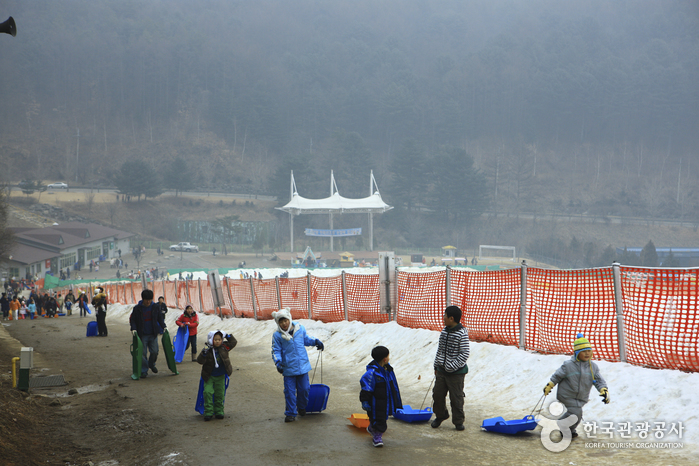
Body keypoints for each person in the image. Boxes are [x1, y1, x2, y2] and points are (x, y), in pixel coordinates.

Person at [543, 333, 609, 438]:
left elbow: (599, 380)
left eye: (589, 351)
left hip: (581, 397)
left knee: (576, 414)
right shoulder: (568, 365)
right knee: (576, 413)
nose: (587, 354)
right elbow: (557, 376)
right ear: (577, 353)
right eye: (584, 352)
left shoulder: (593, 367)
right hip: (567, 395)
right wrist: (549, 385)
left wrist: (604, 390)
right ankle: (565, 428)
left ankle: (569, 429)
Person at [271, 308, 324, 423]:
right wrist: (278, 362)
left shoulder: (300, 329)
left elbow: (306, 339)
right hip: (288, 368)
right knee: (289, 392)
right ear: (278, 323)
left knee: (304, 389)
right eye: (281, 322)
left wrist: (315, 342)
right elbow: (276, 350)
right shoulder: (277, 335)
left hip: (302, 366)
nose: (284, 324)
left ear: (289, 319)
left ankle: (302, 406)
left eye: (285, 320)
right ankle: (290, 413)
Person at [431, 305, 470, 431]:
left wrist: (451, 366)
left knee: (456, 397)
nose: (443, 318)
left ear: (452, 318)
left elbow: (464, 354)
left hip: (456, 373)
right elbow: (440, 350)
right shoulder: (444, 331)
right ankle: (441, 415)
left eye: (445, 316)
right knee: (437, 395)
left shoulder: (462, 333)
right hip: (442, 371)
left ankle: (458, 421)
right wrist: (437, 365)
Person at [360, 346, 403, 448]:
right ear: (385, 359)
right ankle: (377, 437)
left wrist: (396, 401)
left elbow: (394, 386)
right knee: (379, 420)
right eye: (388, 356)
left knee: (381, 418)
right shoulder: (372, 374)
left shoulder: (388, 370)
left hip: (386, 401)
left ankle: (372, 428)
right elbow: (366, 388)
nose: (389, 358)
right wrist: (365, 401)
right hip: (375, 403)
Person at [197, 330, 236, 421]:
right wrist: (203, 353)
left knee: (219, 394)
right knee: (207, 393)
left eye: (219, 339)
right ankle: (209, 412)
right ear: (211, 340)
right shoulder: (208, 349)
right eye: (215, 340)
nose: (218, 341)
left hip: (221, 376)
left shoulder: (224, 347)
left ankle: (219, 411)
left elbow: (233, 342)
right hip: (209, 376)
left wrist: (227, 335)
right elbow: (200, 361)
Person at [129, 289, 166, 378]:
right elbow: (133, 319)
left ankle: (151, 363)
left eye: (150, 299)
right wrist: (133, 329)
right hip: (142, 335)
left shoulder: (155, 307)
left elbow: (159, 318)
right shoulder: (137, 308)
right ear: (143, 299)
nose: (148, 301)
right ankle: (144, 371)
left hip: (153, 334)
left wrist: (164, 326)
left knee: (155, 351)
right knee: (143, 353)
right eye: (146, 300)